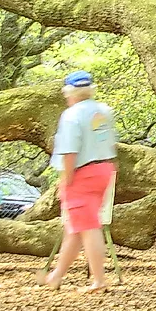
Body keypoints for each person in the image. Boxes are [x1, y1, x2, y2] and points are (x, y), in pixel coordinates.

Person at [42, 71, 118, 292]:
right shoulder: (104, 111)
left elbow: (69, 152)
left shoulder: (71, 115)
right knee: (75, 227)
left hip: (82, 173)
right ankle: (56, 276)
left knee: (88, 226)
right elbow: (112, 145)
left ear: (70, 92)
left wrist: (66, 180)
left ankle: (99, 280)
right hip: (104, 169)